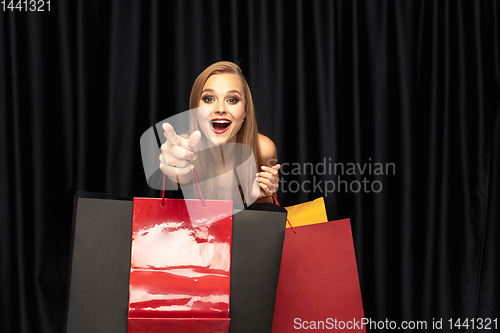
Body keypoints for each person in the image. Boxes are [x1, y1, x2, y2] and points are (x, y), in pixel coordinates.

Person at [159, 61, 280, 204]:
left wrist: (259, 197)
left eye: (232, 100)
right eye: (209, 99)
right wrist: (176, 168)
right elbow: (176, 172)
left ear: (246, 111)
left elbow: (269, 219)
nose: (221, 108)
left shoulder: (263, 149)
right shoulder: (184, 148)